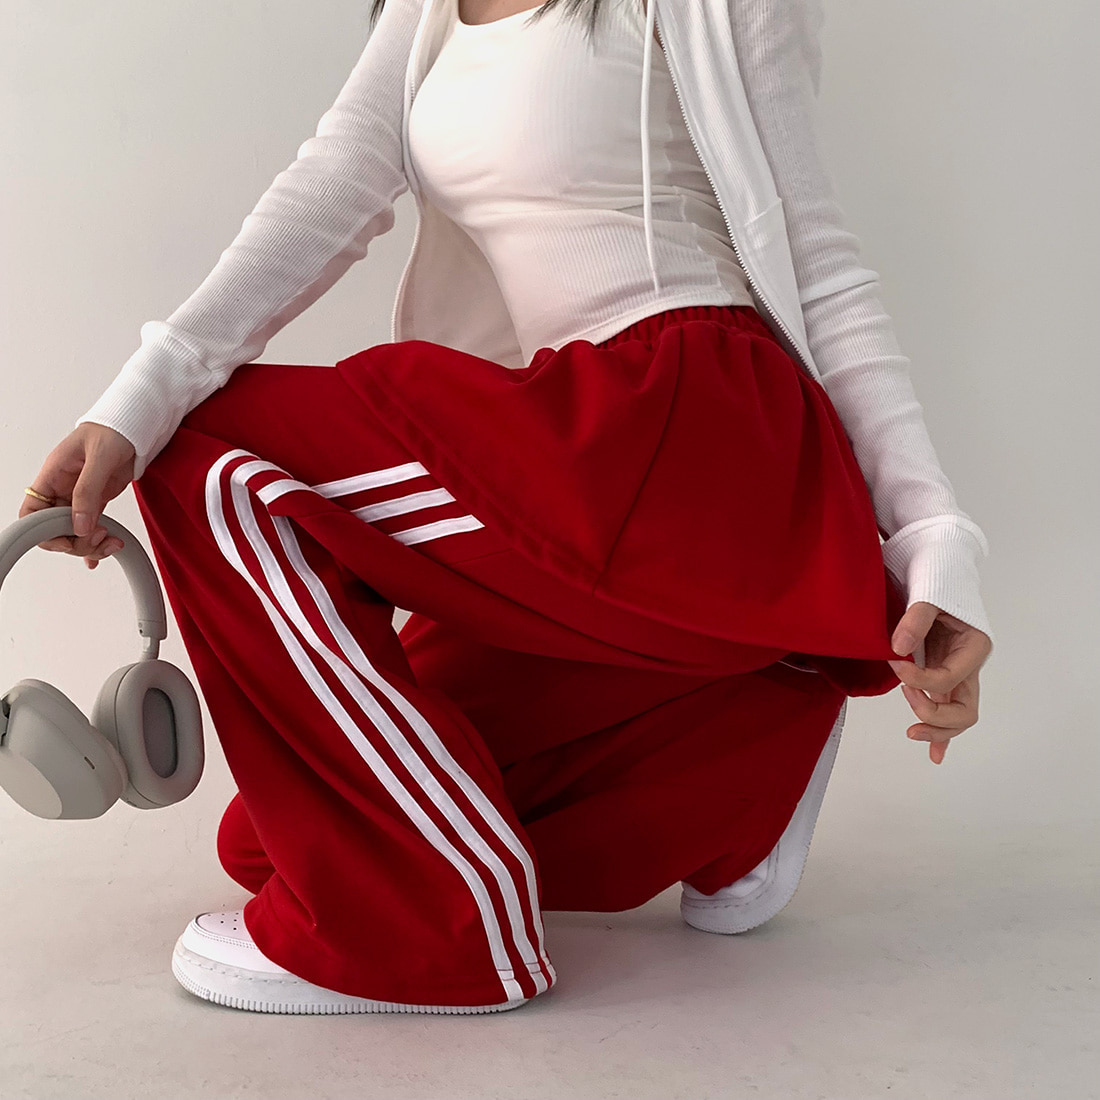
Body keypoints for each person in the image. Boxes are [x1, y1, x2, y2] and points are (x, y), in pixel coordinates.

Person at [17, 0, 993, 1015]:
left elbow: (820, 265)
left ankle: (419, 935)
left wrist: (931, 543)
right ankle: (743, 748)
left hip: (682, 421)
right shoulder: (426, 12)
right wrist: (129, 398)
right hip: (569, 444)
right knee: (278, 839)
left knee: (207, 454)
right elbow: (330, 183)